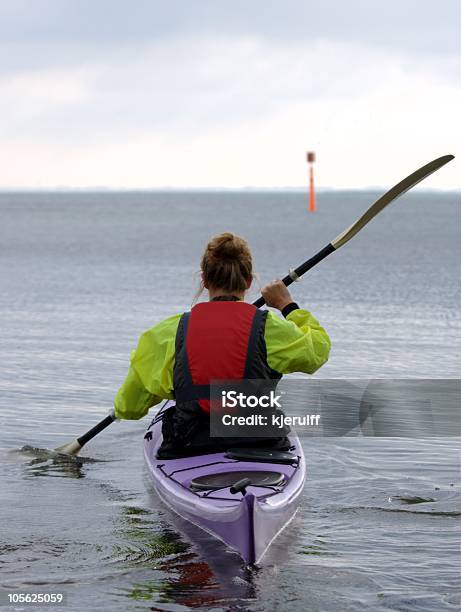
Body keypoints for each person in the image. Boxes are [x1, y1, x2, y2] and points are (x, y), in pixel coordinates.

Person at [114, 232, 330, 457]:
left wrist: (121, 409)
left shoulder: (167, 332)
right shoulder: (269, 328)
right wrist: (287, 305)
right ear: (248, 282)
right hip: (261, 442)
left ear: (205, 281)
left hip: (190, 444)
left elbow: (131, 408)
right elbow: (319, 349)